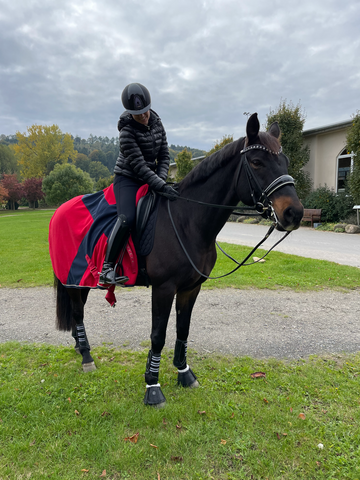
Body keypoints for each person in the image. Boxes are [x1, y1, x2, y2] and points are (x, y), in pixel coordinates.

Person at [99, 82, 179, 286]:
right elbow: (139, 167)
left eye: (145, 112)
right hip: (128, 178)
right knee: (127, 218)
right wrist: (160, 186)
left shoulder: (157, 122)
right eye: (138, 114)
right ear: (129, 112)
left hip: (151, 176)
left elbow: (164, 155)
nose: (144, 117)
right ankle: (108, 268)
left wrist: (160, 180)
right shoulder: (126, 132)